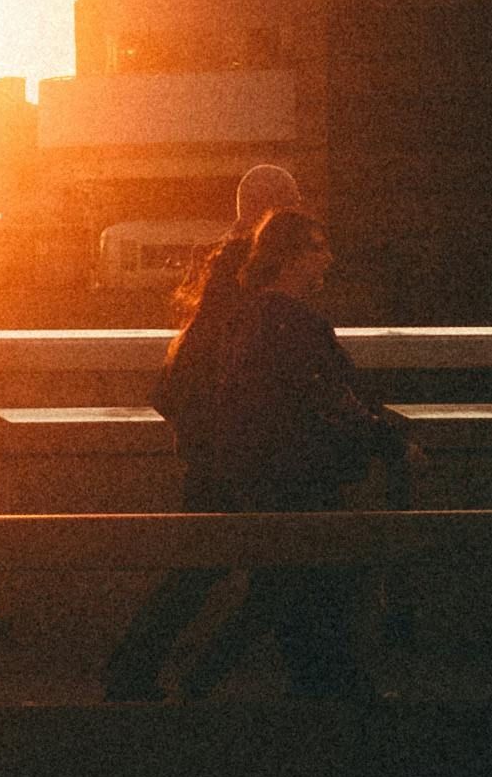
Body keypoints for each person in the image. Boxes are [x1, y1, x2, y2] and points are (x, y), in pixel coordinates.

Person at [177, 211, 415, 701]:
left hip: (263, 475)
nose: (328, 257)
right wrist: (391, 443)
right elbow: (329, 400)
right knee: (310, 583)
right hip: (298, 477)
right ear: (289, 258)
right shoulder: (291, 322)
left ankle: (320, 683)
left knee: (289, 589)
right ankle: (211, 685)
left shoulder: (252, 317)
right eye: (316, 248)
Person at [102, 164, 303, 702]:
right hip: (244, 454)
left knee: (213, 569)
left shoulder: (222, 274)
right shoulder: (260, 281)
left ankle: (143, 671)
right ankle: (188, 676)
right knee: (275, 574)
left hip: (215, 448)